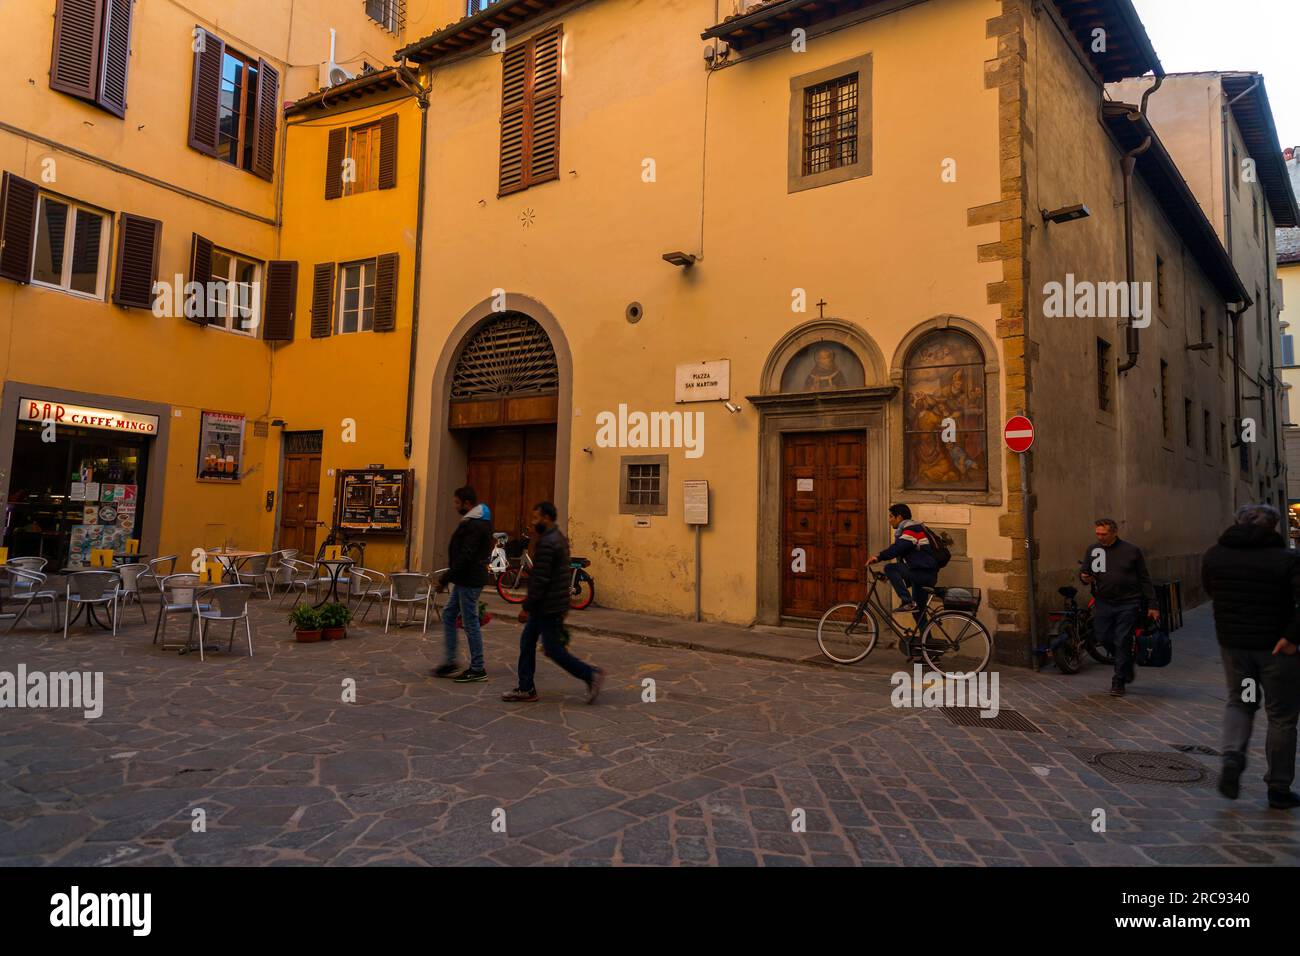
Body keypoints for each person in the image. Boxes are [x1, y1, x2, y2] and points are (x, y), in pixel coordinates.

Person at [1202, 503, 1300, 809]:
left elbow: (1211, 591)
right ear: (1273, 527)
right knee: (1281, 716)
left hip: (1235, 647)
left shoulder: (1216, 555)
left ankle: (1233, 754)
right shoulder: (1286, 559)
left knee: (1241, 702)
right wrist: (1292, 637)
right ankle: (1278, 787)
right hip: (1276, 651)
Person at [502, 501, 604, 704]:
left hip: (546, 606)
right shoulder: (557, 538)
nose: (533, 522)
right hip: (552, 603)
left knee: (553, 649)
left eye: (536, 518)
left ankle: (590, 674)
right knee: (528, 642)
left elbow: (540, 580)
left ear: (547, 518)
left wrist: (527, 607)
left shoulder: (548, 543)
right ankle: (526, 688)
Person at [1078, 517, 1158, 697]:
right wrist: (1084, 578)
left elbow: (1144, 578)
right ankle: (1126, 662)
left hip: (1128, 603)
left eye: (1104, 534)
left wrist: (1153, 604)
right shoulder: (1093, 550)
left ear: (1114, 532)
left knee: (1122, 640)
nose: (1100, 537)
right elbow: (1084, 573)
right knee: (1102, 636)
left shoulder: (1131, 551)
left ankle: (1118, 680)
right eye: (1097, 534)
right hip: (1104, 602)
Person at [432, 486, 493, 683]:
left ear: (467, 503)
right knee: (449, 613)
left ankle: (477, 667)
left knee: (470, 622)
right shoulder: (473, 521)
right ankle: (450, 661)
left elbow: (466, 555)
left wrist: (444, 579)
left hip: (469, 579)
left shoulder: (475, 525)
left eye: (457, 503)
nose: (454, 506)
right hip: (464, 578)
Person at [867, 504, 939, 658]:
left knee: (890, 568)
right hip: (922, 574)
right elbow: (907, 560)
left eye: (891, 517)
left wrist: (878, 557)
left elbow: (897, 549)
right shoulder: (910, 530)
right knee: (919, 614)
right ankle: (932, 655)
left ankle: (907, 602)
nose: (889, 520)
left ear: (899, 517)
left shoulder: (912, 530)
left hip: (923, 574)